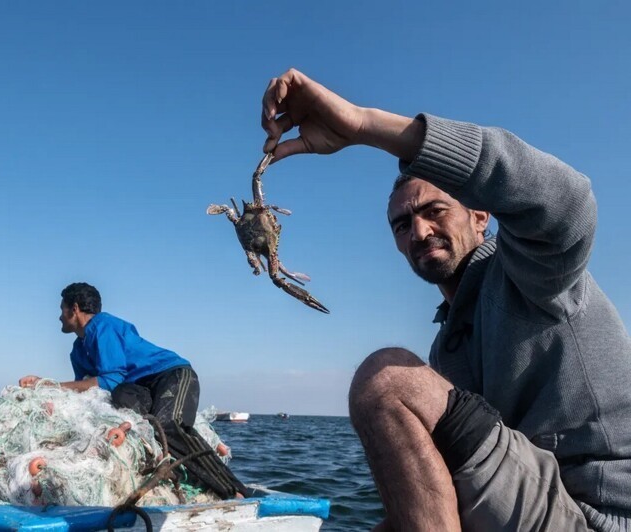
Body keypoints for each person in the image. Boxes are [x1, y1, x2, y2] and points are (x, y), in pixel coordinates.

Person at [261, 69, 631, 531]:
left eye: (434, 211)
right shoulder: (446, 349)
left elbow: (568, 202)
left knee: (388, 377)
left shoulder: (538, 274)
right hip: (521, 504)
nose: (418, 231)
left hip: (596, 518)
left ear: (480, 216)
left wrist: (362, 125)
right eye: (401, 224)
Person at [19, 282, 246, 500]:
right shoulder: (77, 351)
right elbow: (90, 391)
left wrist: (51, 385)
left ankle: (233, 490)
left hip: (171, 375)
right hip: (140, 388)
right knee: (132, 409)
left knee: (169, 426)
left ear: (74, 309)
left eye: (62, 309)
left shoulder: (103, 326)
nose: (59, 316)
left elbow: (110, 378)